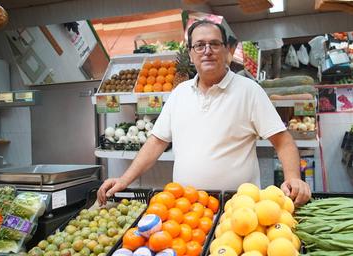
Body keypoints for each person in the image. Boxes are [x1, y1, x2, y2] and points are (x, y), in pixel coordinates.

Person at [97, 20, 311, 207]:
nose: (207, 50)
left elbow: (283, 141)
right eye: (199, 45)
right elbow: (156, 142)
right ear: (190, 54)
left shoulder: (249, 91)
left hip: (238, 206)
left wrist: (293, 178)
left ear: (226, 50)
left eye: (214, 44)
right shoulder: (179, 94)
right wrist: (124, 180)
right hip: (186, 206)